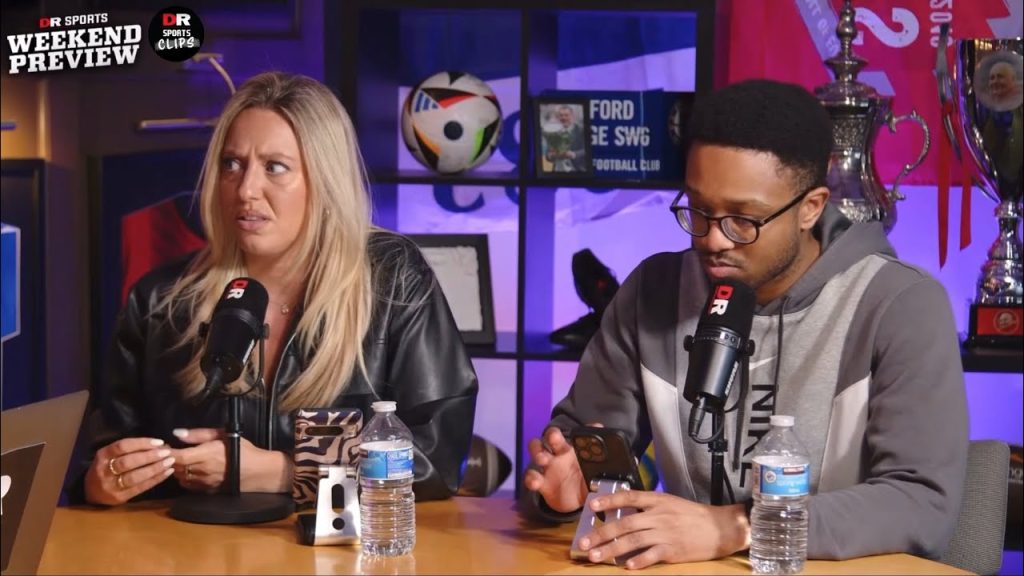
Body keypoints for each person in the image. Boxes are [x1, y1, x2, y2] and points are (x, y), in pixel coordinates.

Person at [521, 79, 968, 568]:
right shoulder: (653, 291)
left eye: (743, 220)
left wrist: (737, 526)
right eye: (699, 209)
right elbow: (580, 444)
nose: (714, 239)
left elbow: (922, 503)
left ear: (811, 208)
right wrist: (565, 492)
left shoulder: (900, 304)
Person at [73, 71, 479, 506]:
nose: (246, 189)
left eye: (275, 167)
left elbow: (436, 458)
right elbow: (102, 457)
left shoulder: (392, 277)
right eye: (232, 164)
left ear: (324, 181)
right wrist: (99, 483)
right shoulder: (158, 300)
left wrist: (284, 471)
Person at [543, 105, 587, 173]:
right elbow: (547, 156)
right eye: (561, 115)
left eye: (566, 115)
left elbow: (586, 150)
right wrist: (552, 155)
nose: (563, 118)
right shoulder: (553, 132)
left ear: (572, 116)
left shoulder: (581, 130)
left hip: (577, 171)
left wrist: (573, 154)